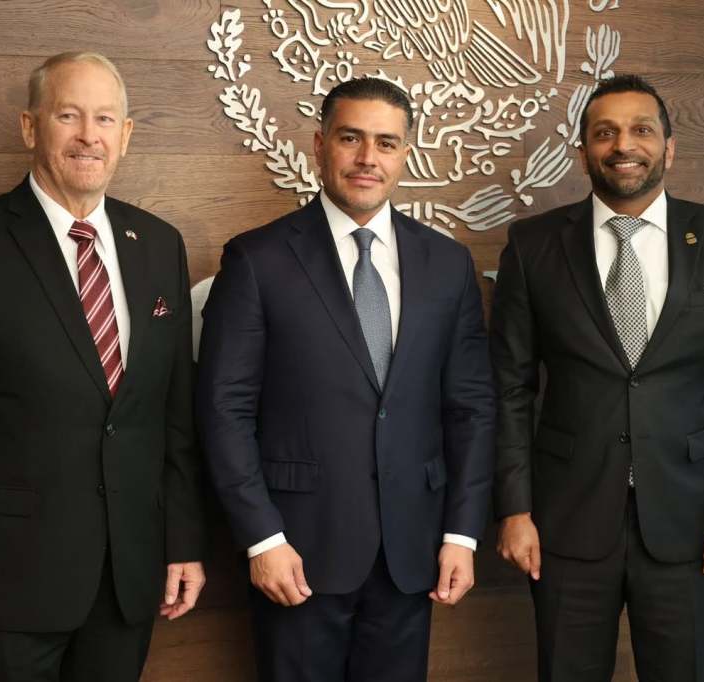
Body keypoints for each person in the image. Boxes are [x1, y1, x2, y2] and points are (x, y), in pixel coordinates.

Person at [0, 51, 207, 681]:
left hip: (128, 581)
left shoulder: (160, 245)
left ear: (126, 135)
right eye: (68, 115)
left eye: (104, 119)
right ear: (29, 127)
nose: (88, 135)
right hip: (7, 590)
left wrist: (183, 544)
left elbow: (171, 416)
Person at [196, 77, 495, 682]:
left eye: (386, 143)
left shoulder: (447, 263)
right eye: (351, 138)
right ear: (319, 144)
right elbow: (223, 409)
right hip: (296, 552)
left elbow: (471, 406)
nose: (367, 158)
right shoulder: (257, 259)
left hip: (412, 552)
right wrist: (261, 538)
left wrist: (462, 533)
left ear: (405, 153)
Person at [491, 74, 704, 681]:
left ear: (669, 148)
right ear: (584, 152)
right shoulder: (532, 244)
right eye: (605, 132)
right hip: (564, 522)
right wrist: (514, 508)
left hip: (694, 522)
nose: (624, 145)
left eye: (641, 130)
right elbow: (509, 388)